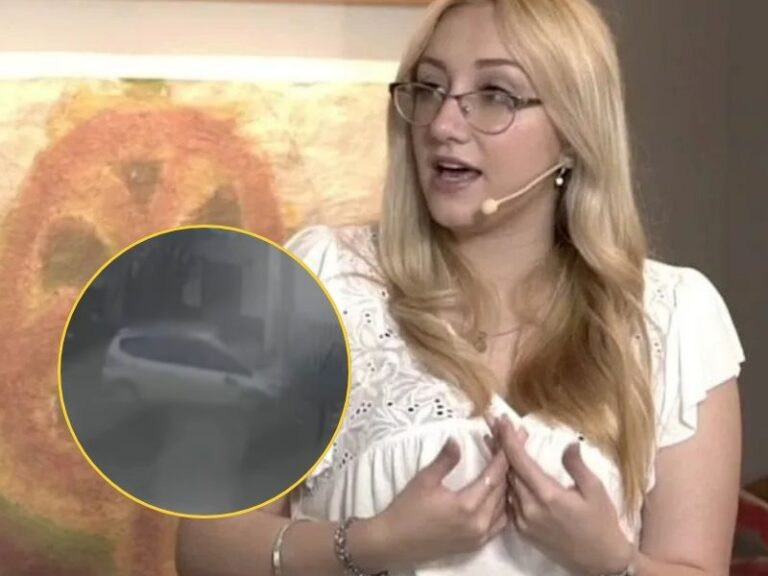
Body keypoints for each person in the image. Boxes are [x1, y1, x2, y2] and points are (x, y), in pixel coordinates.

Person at [175, 0, 744, 574]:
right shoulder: (323, 277)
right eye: (429, 88)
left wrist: (612, 560)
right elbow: (204, 550)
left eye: (496, 94)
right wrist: (375, 541)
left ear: (574, 133)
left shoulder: (674, 316)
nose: (443, 125)